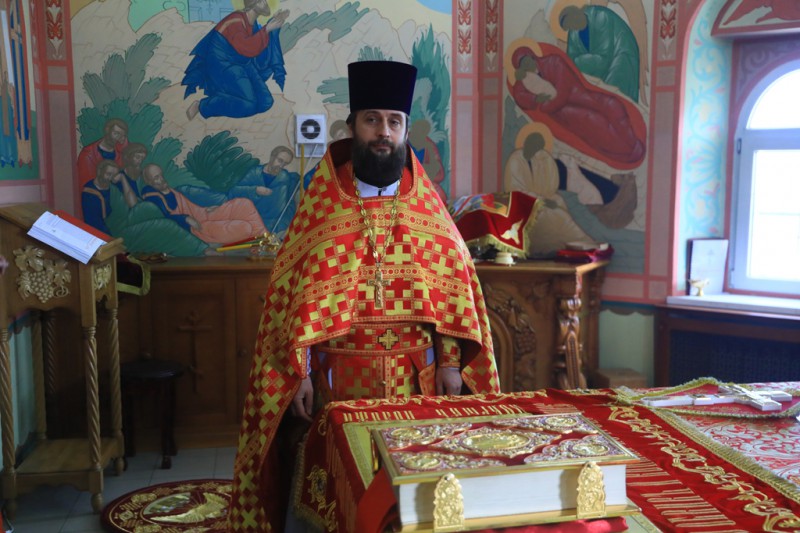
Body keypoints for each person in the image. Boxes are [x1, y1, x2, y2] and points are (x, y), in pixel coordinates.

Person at [228, 60, 500, 532]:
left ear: (406, 131)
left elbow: (452, 298)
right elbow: (295, 300)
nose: (383, 132)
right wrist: (301, 372)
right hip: (337, 379)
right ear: (352, 126)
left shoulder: (428, 209)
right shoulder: (323, 203)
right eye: (372, 119)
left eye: (394, 122)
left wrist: (452, 363)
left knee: (410, 494)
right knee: (339, 488)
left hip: (415, 378)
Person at [509, 41, 646, 169]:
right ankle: (624, 151)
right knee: (594, 121)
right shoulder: (526, 80)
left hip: (577, 94)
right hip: (563, 111)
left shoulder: (553, 61)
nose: (527, 64)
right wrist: (535, 98)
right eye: (522, 64)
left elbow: (565, 85)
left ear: (532, 56)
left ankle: (632, 143)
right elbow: (519, 95)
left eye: (527, 60)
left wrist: (548, 105)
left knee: (612, 105)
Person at [182, 0, 289, 120]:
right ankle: (202, 106)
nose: (265, 3)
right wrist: (267, 29)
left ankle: (226, 96)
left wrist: (273, 23)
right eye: (261, 0)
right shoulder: (235, 21)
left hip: (243, 63)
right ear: (253, 3)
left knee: (265, 102)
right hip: (223, 64)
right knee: (249, 104)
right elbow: (247, 48)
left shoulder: (252, 22)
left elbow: (257, 42)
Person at [140, 163, 267, 245]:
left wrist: (207, 209)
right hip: (197, 227)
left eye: (161, 175)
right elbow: (163, 217)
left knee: (243, 203)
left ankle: (265, 238)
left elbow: (191, 208)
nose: (162, 179)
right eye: (156, 177)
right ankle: (258, 240)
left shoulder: (170, 191)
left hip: (203, 214)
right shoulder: (152, 195)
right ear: (149, 182)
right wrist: (185, 219)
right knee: (244, 228)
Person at [228, 145, 301, 235]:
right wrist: (255, 190)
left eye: (285, 163)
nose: (281, 165)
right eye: (280, 160)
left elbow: (289, 204)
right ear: (272, 157)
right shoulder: (254, 172)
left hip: (274, 224)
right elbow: (234, 191)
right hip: (251, 219)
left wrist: (284, 225)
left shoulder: (285, 179)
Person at [82, 160, 138, 235]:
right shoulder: (90, 193)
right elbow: (94, 223)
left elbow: (133, 203)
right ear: (99, 171)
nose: (110, 178)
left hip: (126, 223)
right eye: (108, 174)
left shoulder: (113, 186)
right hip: (110, 232)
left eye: (114, 175)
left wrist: (122, 178)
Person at [76, 118, 128, 186]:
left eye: (122, 136)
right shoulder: (88, 154)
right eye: (116, 133)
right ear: (107, 132)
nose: (119, 138)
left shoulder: (120, 154)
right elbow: (86, 183)